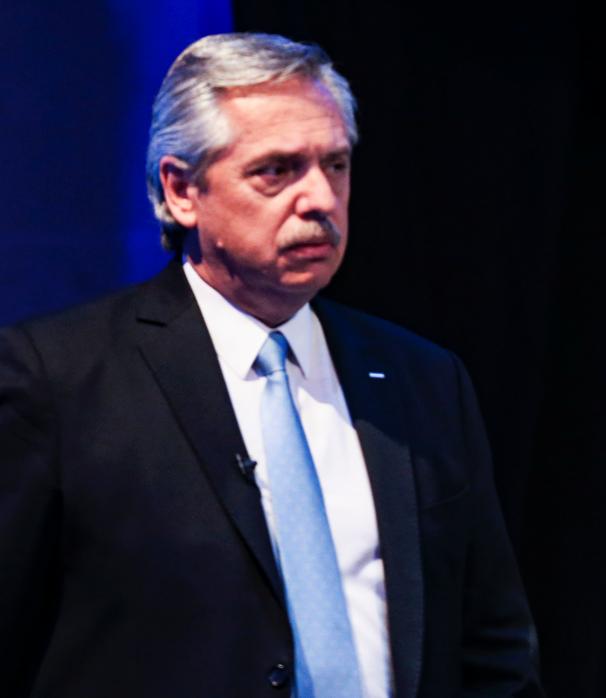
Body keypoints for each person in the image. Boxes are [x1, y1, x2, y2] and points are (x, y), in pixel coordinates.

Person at [0, 33, 540, 697]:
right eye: (277, 171)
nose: (319, 198)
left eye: (335, 165)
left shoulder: (423, 381)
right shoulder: (56, 379)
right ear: (182, 190)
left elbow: (492, 649)